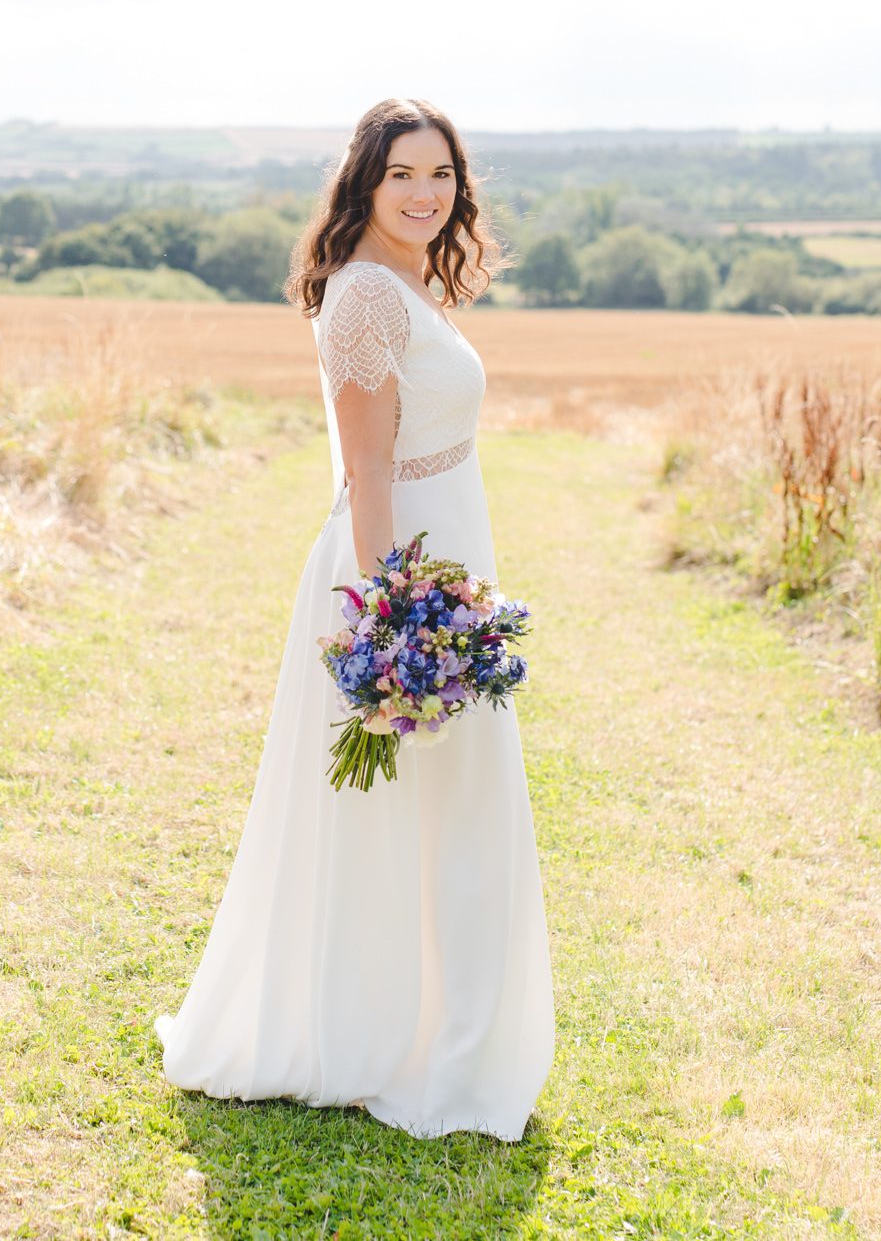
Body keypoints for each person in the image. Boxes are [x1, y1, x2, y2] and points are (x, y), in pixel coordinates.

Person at [153, 98, 554, 1141]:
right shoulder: (366, 295)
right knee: (410, 808)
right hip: (400, 574)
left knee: (448, 806)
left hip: (443, 564)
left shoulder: (409, 283)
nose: (424, 194)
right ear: (363, 186)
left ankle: (438, 1032)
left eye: (439, 175)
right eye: (401, 176)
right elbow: (366, 469)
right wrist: (392, 618)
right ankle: (393, 1038)